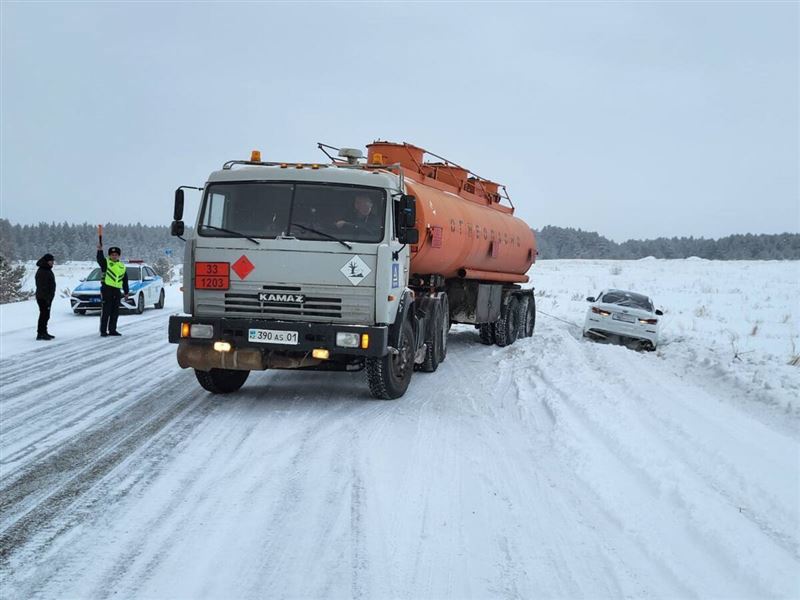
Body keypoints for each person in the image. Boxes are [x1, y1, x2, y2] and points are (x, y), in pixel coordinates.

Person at [96, 243, 129, 337]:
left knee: (115, 311)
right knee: (106, 311)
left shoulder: (122, 266)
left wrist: (126, 292)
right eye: (112, 254)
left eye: (116, 255)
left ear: (119, 256)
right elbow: (100, 259)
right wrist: (99, 250)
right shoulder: (106, 262)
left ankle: (112, 330)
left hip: (117, 290)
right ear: (109, 255)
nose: (114, 256)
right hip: (107, 289)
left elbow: (125, 280)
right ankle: (103, 331)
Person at [35, 253, 56, 340]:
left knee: (46, 315)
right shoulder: (43, 271)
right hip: (43, 297)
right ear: (47, 261)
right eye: (51, 261)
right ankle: (41, 333)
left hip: (47, 297)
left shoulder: (46, 270)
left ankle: (44, 332)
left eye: (53, 261)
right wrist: (47, 298)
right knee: (44, 315)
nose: (52, 263)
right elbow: (42, 286)